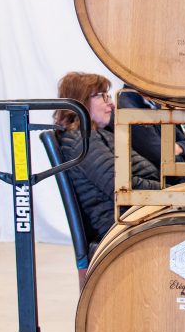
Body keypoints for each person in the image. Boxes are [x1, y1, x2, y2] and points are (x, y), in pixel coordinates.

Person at [53, 72, 161, 260]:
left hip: (133, 214)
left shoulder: (96, 135)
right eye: (102, 96)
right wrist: (167, 190)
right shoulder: (82, 141)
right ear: (82, 101)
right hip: (120, 223)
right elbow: (122, 188)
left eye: (108, 96)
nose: (111, 103)